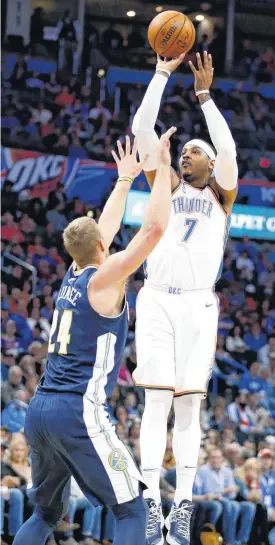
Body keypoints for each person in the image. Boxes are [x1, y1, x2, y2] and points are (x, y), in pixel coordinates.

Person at [13, 127, 176, 545]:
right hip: (77, 412)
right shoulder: (103, 281)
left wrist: (124, 180)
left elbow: (102, 230)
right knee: (131, 508)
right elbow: (155, 229)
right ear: (103, 246)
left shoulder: (74, 271)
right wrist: (159, 170)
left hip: (40, 410)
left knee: (47, 512)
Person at [132, 51, 238, 545]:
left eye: (194, 150)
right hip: (156, 299)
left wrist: (203, 97)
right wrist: (160, 75)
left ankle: (182, 506)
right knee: (155, 403)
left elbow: (230, 149)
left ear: (211, 162)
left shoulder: (221, 192)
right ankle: (151, 501)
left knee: (190, 409)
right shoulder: (167, 186)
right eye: (184, 151)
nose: (185, 155)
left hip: (199, 304)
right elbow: (141, 126)